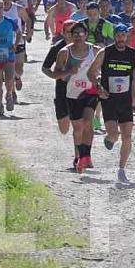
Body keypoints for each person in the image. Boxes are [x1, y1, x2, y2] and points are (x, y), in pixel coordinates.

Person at [87, 24, 135, 183]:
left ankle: (122, 170)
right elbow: (91, 72)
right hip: (108, 99)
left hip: (125, 100)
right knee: (114, 134)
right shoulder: (105, 52)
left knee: (128, 137)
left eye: (123, 35)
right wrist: (98, 86)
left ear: (127, 36)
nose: (121, 38)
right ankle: (109, 138)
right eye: (118, 35)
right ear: (114, 36)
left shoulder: (133, 54)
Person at [53, 22, 101, 174]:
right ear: (70, 36)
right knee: (78, 127)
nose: (79, 36)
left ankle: (85, 156)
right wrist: (68, 71)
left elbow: (103, 70)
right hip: (72, 93)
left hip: (90, 91)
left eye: (81, 34)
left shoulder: (95, 51)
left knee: (88, 121)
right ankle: (78, 155)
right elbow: (56, 75)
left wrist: (99, 78)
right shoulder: (64, 52)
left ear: (86, 35)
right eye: (75, 34)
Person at [42, 20, 79, 168]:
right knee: (64, 129)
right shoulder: (57, 48)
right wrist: (55, 76)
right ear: (63, 33)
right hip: (62, 89)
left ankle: (79, 157)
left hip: (79, 90)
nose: (72, 35)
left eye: (74, 32)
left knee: (79, 126)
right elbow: (45, 68)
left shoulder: (83, 47)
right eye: (69, 32)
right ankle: (66, 114)